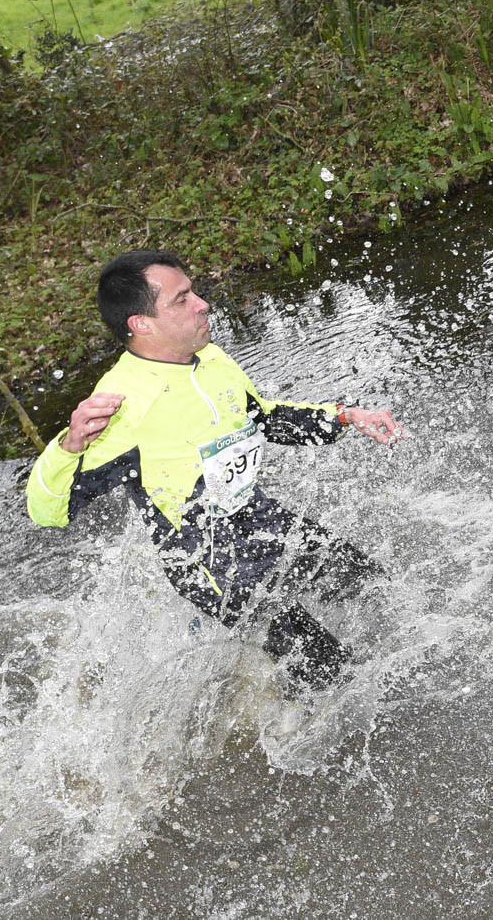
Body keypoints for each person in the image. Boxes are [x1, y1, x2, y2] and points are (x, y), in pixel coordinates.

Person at [26, 249, 403, 688]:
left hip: (256, 517)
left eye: (194, 292)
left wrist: (344, 416)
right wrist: (68, 446)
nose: (203, 304)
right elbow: (48, 513)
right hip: (207, 561)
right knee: (334, 673)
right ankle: (279, 715)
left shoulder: (212, 360)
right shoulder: (121, 408)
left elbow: (265, 419)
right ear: (141, 324)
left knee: (377, 590)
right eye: (182, 300)